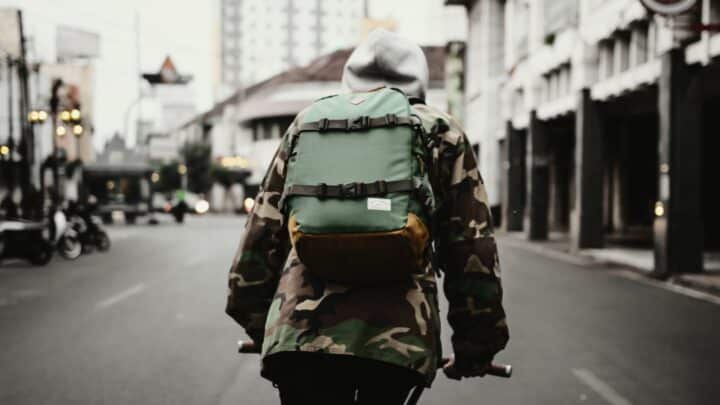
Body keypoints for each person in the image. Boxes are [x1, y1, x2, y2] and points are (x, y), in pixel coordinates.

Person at [226, 29, 509, 405]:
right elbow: (471, 250)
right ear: (419, 80)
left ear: (349, 79)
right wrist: (476, 346)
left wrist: (263, 326)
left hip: (301, 338)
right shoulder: (439, 131)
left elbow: (259, 239)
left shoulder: (309, 125)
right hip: (397, 345)